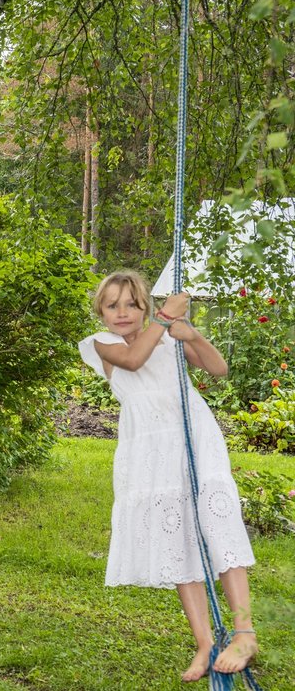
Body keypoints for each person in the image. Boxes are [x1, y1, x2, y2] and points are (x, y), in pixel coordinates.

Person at [78, 271, 258, 683]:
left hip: (193, 435)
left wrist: (189, 334)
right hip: (149, 449)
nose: (122, 312)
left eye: (132, 304)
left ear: (144, 306)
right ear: (100, 312)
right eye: (112, 305)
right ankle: (204, 643)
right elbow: (133, 359)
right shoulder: (98, 344)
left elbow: (219, 369)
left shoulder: (167, 337)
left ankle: (245, 632)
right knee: (175, 535)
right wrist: (162, 320)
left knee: (219, 530)